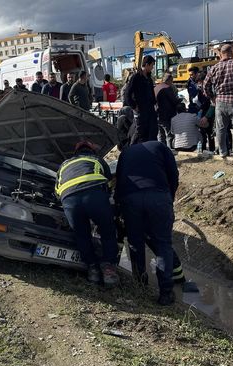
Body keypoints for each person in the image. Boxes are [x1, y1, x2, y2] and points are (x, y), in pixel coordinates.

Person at [115, 141, 179, 305]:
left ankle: (140, 286)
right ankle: (165, 293)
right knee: (163, 244)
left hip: (130, 199)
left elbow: (119, 179)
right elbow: (173, 174)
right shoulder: (160, 147)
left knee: (135, 243)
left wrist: (120, 206)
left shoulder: (125, 153)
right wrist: (168, 198)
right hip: (158, 197)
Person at [55, 141, 119, 286]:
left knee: (82, 235)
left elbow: (57, 190)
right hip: (94, 195)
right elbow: (109, 182)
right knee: (107, 231)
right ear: (92, 151)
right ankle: (108, 270)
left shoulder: (64, 165)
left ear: (76, 153)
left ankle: (93, 270)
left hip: (70, 200)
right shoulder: (96, 160)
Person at [203, 43, 233, 159]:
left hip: (220, 102)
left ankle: (222, 151)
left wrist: (212, 97)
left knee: (221, 128)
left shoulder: (215, 67)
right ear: (232, 52)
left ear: (221, 54)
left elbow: (205, 85)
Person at [125, 55, 158, 144]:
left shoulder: (149, 79)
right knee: (140, 132)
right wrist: (134, 106)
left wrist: (155, 104)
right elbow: (127, 93)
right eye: (152, 65)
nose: (152, 68)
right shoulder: (136, 77)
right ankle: (132, 150)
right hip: (140, 110)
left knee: (151, 131)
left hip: (150, 110)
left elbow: (151, 93)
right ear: (146, 65)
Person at [154, 73, 179, 149]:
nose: (172, 83)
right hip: (166, 115)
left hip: (157, 114)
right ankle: (170, 151)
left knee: (160, 135)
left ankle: (162, 151)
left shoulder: (156, 87)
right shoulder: (167, 88)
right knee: (169, 135)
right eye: (172, 81)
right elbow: (174, 101)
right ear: (169, 80)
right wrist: (179, 100)